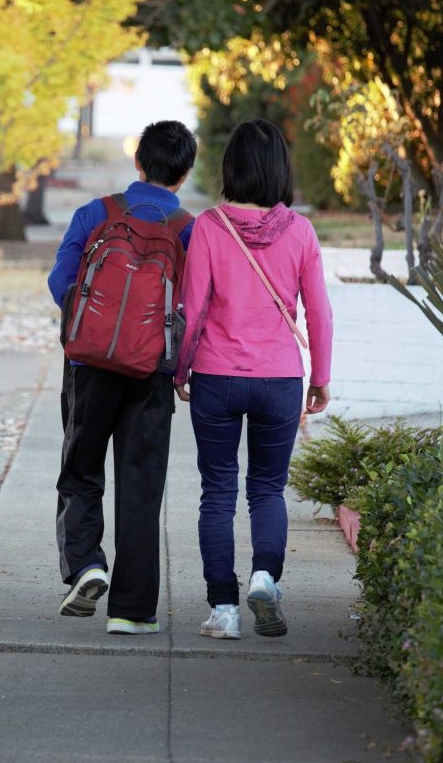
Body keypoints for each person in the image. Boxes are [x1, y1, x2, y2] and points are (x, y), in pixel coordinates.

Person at [173, 119, 332, 640]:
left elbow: (192, 309)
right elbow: (319, 312)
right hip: (280, 378)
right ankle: (265, 576)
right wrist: (321, 376)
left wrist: (181, 369)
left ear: (231, 168)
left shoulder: (210, 226)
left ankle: (223, 609)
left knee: (217, 491)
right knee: (268, 489)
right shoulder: (301, 232)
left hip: (216, 376)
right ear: (281, 170)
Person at [48, 120, 196, 635]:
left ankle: (86, 564)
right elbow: (194, 305)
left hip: (89, 366)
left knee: (80, 469)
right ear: (185, 173)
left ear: (138, 161)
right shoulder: (187, 229)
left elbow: (61, 280)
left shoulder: (96, 213)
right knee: (140, 483)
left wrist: (92, 329)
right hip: (152, 370)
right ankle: (132, 611)